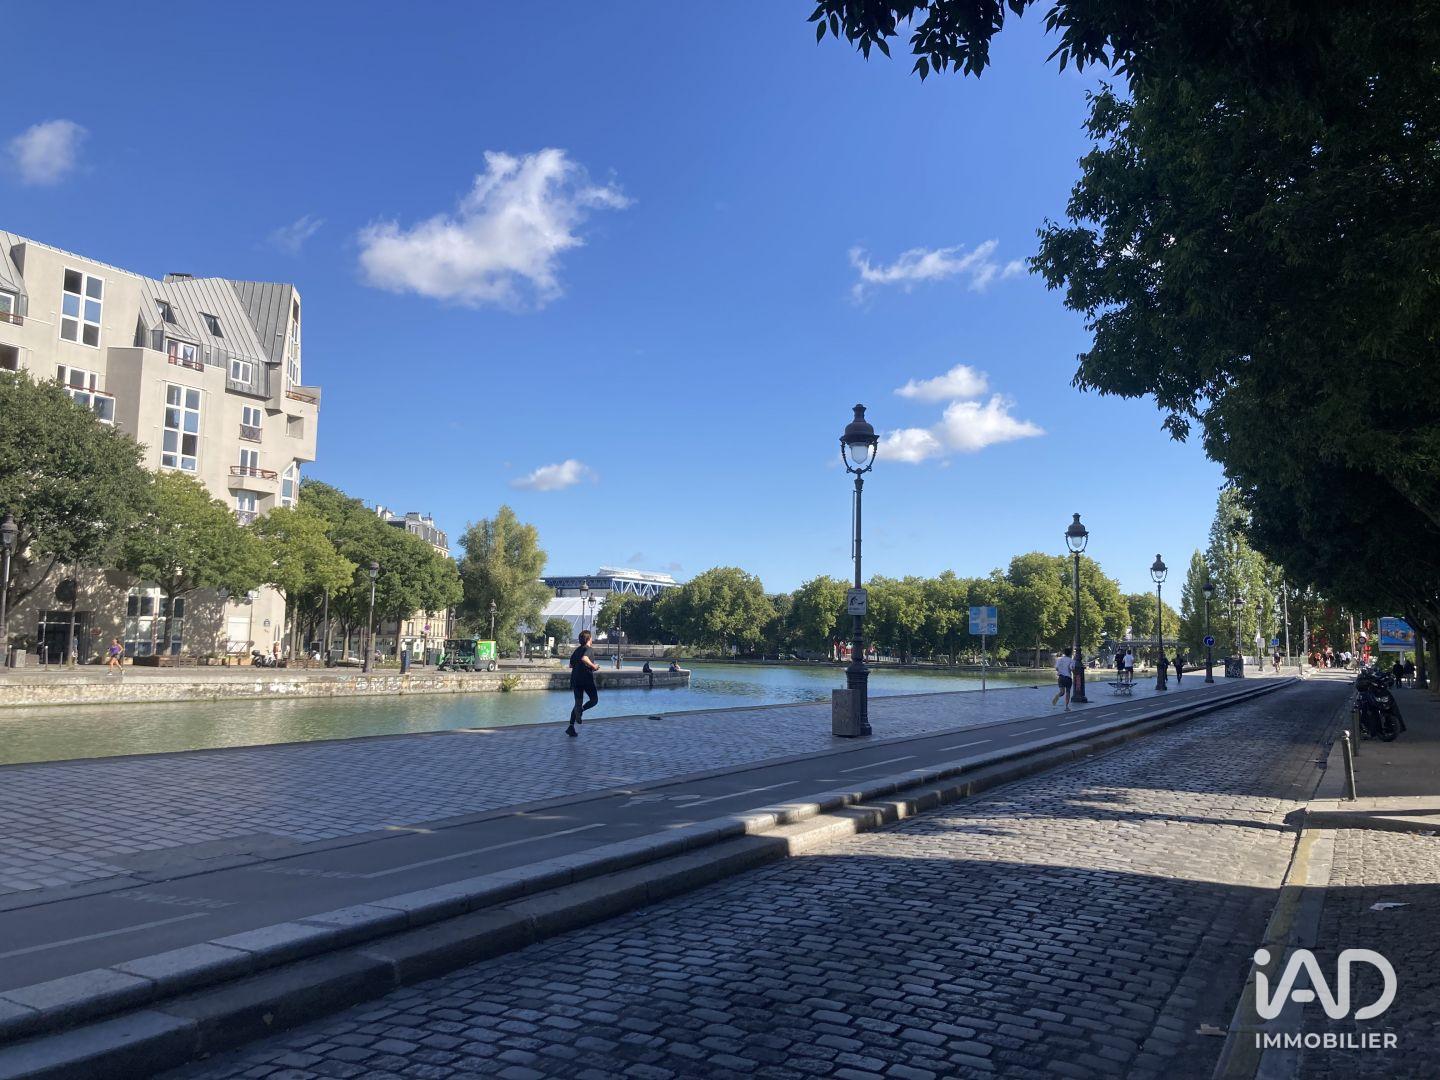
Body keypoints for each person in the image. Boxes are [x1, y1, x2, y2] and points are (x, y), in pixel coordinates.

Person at [567, 630, 600, 737]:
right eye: (591, 638)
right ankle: (581, 710)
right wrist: (594, 666)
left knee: (578, 703)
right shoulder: (589, 649)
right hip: (586, 679)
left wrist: (580, 665)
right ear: (589, 639)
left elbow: (570, 665)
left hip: (575, 679)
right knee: (594, 700)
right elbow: (584, 658)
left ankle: (571, 727)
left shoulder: (577, 650)